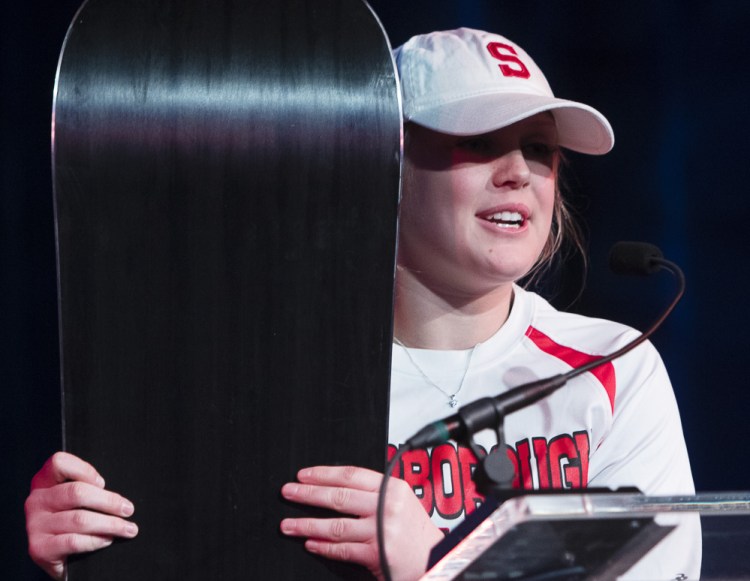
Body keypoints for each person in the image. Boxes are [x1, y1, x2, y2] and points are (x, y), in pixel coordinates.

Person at [25, 28, 699, 581]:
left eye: (538, 148)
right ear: (383, 162)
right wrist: (95, 557)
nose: (518, 172)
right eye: (481, 141)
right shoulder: (269, 374)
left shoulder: (615, 366)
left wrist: (434, 567)